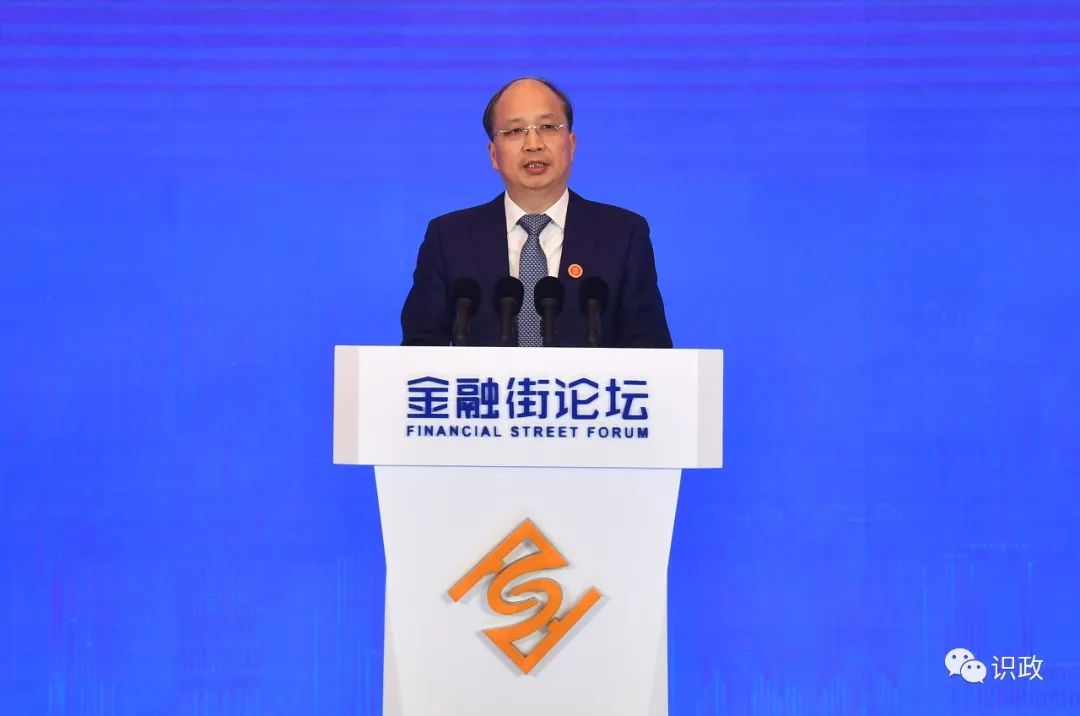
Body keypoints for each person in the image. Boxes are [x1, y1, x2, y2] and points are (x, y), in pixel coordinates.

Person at [400, 77, 672, 348]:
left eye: (548, 127)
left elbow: (651, 350)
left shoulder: (623, 235)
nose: (533, 144)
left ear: (571, 145)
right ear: (493, 154)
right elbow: (418, 350)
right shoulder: (450, 238)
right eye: (514, 131)